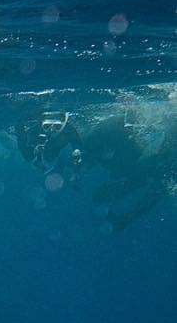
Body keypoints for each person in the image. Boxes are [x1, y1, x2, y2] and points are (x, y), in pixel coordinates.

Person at [17, 97, 177, 228]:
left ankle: (125, 216)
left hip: (143, 164)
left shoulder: (129, 135)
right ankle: (124, 215)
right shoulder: (111, 132)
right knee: (155, 181)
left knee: (156, 182)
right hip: (137, 162)